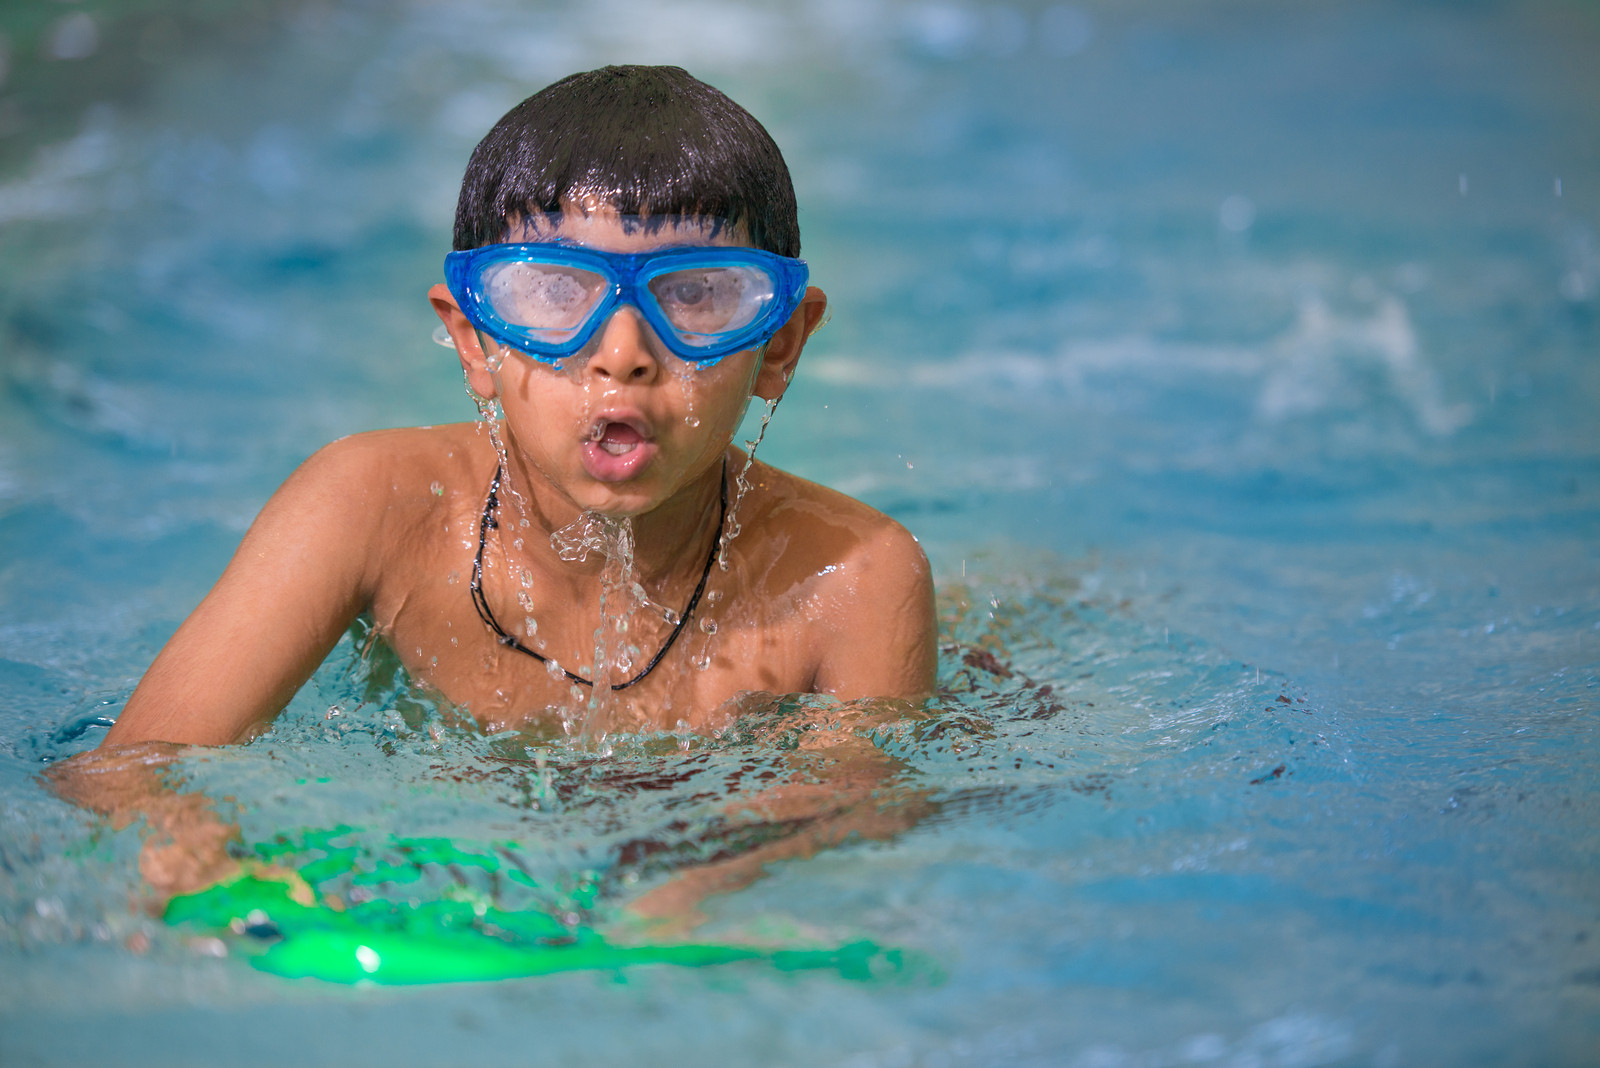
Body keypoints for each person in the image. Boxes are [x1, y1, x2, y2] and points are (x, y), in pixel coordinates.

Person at [96, 64, 937, 748]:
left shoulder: (852, 582)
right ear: (473, 341)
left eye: (697, 295)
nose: (623, 353)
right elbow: (129, 776)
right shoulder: (370, 507)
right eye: (554, 294)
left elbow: (840, 833)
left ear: (779, 345)